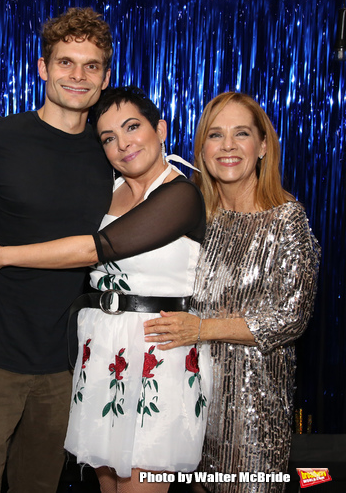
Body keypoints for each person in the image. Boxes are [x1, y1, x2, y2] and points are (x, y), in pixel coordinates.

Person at [0, 86, 211, 493]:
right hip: (103, 352)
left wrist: (2, 255)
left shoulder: (181, 194)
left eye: (132, 127)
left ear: (161, 129)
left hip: (156, 353)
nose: (123, 144)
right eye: (108, 138)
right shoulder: (111, 190)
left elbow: (94, 249)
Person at [0, 7, 113, 493]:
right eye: (65, 62)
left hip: (66, 360)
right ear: (42, 67)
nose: (77, 76)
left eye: (91, 65)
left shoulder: (110, 151)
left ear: (105, 76)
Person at [143, 92, 321, 492]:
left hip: (254, 408)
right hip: (189, 398)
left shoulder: (285, 219)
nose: (227, 146)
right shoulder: (193, 217)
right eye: (215, 135)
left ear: (262, 146)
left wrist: (201, 328)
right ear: (202, 149)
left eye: (241, 134)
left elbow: (290, 318)